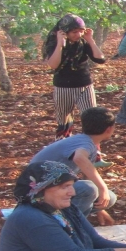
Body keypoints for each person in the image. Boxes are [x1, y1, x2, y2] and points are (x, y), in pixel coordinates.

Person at [42, 14, 112, 168]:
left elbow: (100, 59)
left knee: (92, 119)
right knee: (64, 120)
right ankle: (65, 152)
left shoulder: (83, 43)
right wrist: (60, 43)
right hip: (63, 86)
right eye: (74, 31)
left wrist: (90, 40)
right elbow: (53, 65)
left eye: (80, 31)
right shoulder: (54, 43)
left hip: (84, 85)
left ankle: (95, 155)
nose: (78, 34)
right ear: (64, 31)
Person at [30, 107, 118, 225]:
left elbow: (88, 172)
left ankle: (65, 219)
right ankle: (66, 226)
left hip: (52, 186)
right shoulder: (86, 143)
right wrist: (102, 188)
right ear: (109, 129)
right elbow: (79, 158)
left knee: (109, 198)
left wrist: (98, 208)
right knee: (90, 189)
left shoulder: (85, 142)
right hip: (36, 190)